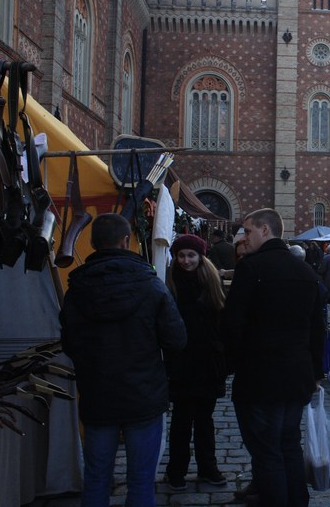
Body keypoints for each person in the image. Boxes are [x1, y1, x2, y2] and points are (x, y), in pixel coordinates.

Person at [60, 213, 187, 507]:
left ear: (93, 244)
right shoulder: (151, 286)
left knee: (96, 478)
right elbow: (177, 339)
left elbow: (70, 343)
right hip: (143, 393)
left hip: (98, 393)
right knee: (141, 480)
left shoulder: (77, 289)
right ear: (126, 241)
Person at [221, 208, 326, 506]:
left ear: (265, 230)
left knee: (267, 451)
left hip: (260, 376)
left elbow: (233, 323)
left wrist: (231, 364)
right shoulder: (305, 272)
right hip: (297, 375)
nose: (244, 237)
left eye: (248, 231)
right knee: (289, 444)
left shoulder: (251, 268)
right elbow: (318, 329)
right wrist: (316, 372)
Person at [164, 234, 228, 490]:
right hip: (181, 362)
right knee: (181, 419)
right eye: (181, 256)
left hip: (208, 362)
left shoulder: (211, 283)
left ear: (201, 257)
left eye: (191, 255)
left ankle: (207, 467)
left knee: (204, 419)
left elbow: (221, 322)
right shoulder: (170, 284)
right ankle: (176, 471)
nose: (186, 260)